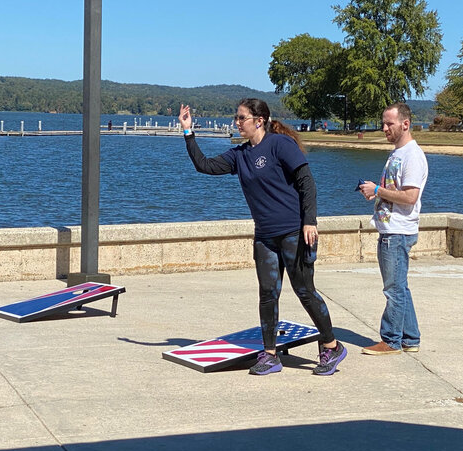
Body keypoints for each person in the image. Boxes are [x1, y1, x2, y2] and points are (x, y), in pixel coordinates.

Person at [178, 98, 347, 376]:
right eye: (236, 117)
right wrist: (188, 132)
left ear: (259, 120)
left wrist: (309, 221)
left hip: (294, 232)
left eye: (241, 118)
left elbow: (307, 182)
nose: (236, 122)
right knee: (268, 294)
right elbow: (204, 166)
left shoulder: (280, 145)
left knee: (305, 290)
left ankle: (331, 346)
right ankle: (270, 355)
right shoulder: (239, 155)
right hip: (265, 236)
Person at [359, 102, 428, 355]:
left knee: (393, 289)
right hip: (391, 230)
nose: (384, 128)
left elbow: (410, 197)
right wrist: (375, 193)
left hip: (398, 232)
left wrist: (377, 190)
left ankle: (391, 340)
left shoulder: (412, 155)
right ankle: (410, 338)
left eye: (389, 123)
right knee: (400, 286)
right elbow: (395, 192)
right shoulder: (397, 153)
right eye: (384, 123)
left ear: (405, 124)